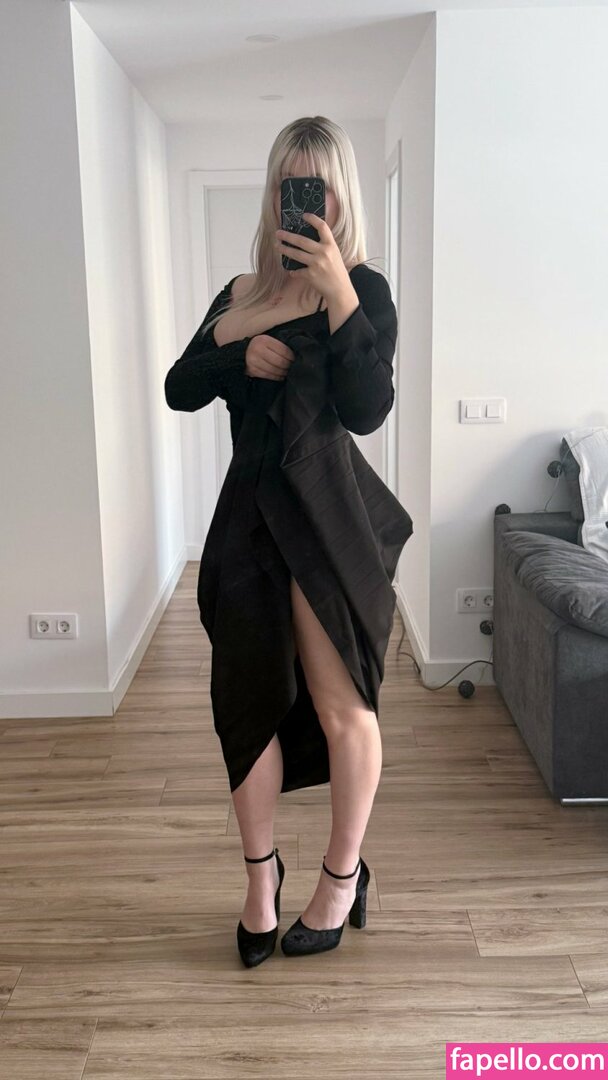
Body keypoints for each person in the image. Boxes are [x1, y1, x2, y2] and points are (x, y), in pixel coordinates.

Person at [164, 116, 413, 967]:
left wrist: (338, 292)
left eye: (319, 188)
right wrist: (241, 356)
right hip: (247, 523)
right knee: (245, 711)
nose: (303, 203)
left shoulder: (364, 290)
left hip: (325, 523)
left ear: (341, 197)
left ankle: (342, 879)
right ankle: (259, 877)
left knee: (344, 708)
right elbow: (180, 386)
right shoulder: (238, 293)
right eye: (288, 186)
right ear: (271, 193)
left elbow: (367, 409)